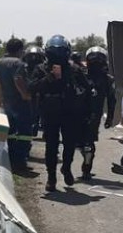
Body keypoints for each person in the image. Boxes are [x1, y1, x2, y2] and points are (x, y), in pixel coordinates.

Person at [30, 35, 91, 192]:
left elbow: (87, 89)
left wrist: (86, 109)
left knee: (69, 144)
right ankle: (51, 177)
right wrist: (50, 78)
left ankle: (66, 167)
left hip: (70, 112)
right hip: (50, 113)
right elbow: (33, 88)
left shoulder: (74, 69)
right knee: (51, 146)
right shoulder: (41, 69)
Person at [0, 38, 33, 171]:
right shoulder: (18, 63)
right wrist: (25, 95)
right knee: (24, 132)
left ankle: (10, 159)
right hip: (19, 102)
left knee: (10, 131)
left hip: (7, 101)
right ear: (19, 50)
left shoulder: (0, 63)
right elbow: (18, 79)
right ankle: (20, 161)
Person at [80, 46, 116, 180]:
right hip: (94, 114)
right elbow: (112, 100)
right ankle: (86, 168)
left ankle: (81, 166)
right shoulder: (107, 79)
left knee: (78, 141)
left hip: (79, 113)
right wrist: (110, 118)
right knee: (88, 143)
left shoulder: (81, 74)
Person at [22, 45, 46, 136]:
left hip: (41, 94)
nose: (33, 59)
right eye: (31, 57)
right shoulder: (23, 68)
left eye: (36, 57)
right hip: (29, 94)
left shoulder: (43, 69)